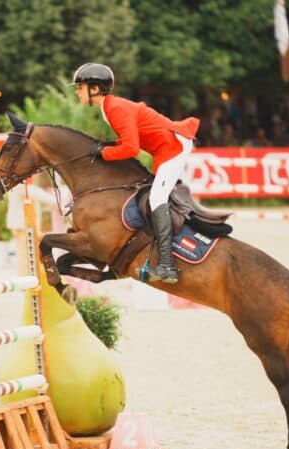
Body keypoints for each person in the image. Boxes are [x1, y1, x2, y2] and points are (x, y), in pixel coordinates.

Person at [72, 62, 199, 284]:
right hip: (164, 147)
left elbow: (131, 148)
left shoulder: (116, 109)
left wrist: (105, 153)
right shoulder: (110, 108)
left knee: (157, 198)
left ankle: (168, 264)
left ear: (94, 89)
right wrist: (107, 147)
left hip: (172, 146)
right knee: (155, 195)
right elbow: (131, 141)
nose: (76, 91)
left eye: (80, 87)